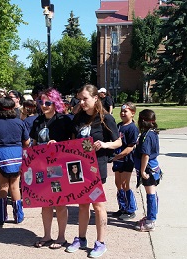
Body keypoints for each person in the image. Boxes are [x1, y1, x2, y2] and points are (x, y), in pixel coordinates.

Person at [66, 84, 121, 258]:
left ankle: (100, 243)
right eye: (80, 99)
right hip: (79, 168)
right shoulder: (78, 118)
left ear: (95, 98)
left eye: (85, 99)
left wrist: (105, 144)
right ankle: (81, 238)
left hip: (97, 167)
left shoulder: (105, 118)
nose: (81, 102)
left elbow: (118, 142)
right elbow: (73, 141)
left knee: (98, 206)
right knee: (82, 204)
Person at [30, 88, 73, 250]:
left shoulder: (64, 120)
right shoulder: (37, 121)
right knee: (45, 202)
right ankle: (47, 235)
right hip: (41, 168)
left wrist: (58, 145)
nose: (44, 105)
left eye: (48, 102)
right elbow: (33, 144)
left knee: (60, 203)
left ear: (55, 103)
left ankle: (61, 237)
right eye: (41, 102)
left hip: (59, 168)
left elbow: (73, 144)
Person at [0, 97, 30, 225]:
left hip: (0, 156)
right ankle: (18, 216)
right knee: (15, 187)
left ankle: (2, 216)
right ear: (13, 108)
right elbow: (27, 142)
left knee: (2, 187)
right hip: (16, 157)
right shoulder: (19, 122)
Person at [133, 109, 162, 232]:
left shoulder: (147, 136)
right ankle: (151, 216)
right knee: (153, 194)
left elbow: (146, 155)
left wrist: (143, 171)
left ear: (143, 120)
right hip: (153, 168)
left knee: (150, 194)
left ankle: (151, 221)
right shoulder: (152, 133)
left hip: (149, 169)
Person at [111, 102, 139, 220]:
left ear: (132, 113)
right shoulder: (118, 126)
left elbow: (130, 147)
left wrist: (117, 156)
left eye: (125, 111)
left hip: (127, 159)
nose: (123, 113)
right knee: (118, 183)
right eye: (121, 111)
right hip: (118, 160)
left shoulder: (132, 128)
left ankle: (130, 209)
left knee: (125, 184)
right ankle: (122, 207)